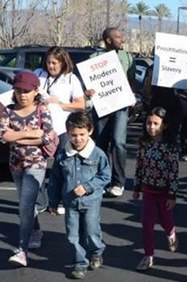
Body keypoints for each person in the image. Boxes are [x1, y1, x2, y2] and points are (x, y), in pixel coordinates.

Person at [0, 72, 56, 267]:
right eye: (18, 91)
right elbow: (3, 136)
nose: (22, 95)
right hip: (15, 164)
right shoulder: (8, 110)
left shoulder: (42, 109)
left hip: (36, 165)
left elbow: (47, 136)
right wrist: (31, 134)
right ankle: (36, 229)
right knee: (27, 204)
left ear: (35, 91)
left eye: (26, 91)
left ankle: (21, 251)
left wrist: (16, 136)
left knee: (25, 205)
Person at [47, 112, 111, 279]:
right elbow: (55, 179)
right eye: (73, 135)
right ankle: (79, 263)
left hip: (91, 201)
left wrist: (88, 187)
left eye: (82, 134)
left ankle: (96, 252)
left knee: (91, 231)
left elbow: (105, 176)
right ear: (68, 134)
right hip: (70, 203)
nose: (78, 139)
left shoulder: (97, 154)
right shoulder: (62, 155)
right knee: (72, 235)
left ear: (89, 131)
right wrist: (53, 202)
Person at [35, 46, 86, 215]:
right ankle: (41, 201)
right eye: (49, 62)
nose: (51, 66)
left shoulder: (71, 79)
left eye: (55, 63)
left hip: (62, 127)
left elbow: (80, 105)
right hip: (40, 127)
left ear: (63, 62)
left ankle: (62, 200)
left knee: (63, 165)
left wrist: (59, 104)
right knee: (37, 165)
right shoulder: (39, 75)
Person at [88, 27, 136, 197]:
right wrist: (89, 92)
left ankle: (118, 182)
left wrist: (131, 96)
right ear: (108, 40)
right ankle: (103, 179)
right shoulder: (94, 59)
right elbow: (89, 85)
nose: (122, 40)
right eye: (118, 37)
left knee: (118, 142)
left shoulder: (128, 58)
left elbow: (131, 82)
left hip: (121, 107)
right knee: (101, 143)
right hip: (102, 107)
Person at [132, 107, 180, 271]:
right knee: (147, 224)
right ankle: (148, 255)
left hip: (164, 192)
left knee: (166, 220)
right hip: (148, 191)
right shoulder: (143, 144)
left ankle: (171, 232)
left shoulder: (170, 147)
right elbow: (139, 166)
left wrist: (172, 195)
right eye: (149, 123)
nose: (151, 127)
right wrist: (137, 187)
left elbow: (174, 172)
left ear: (164, 126)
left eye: (156, 124)